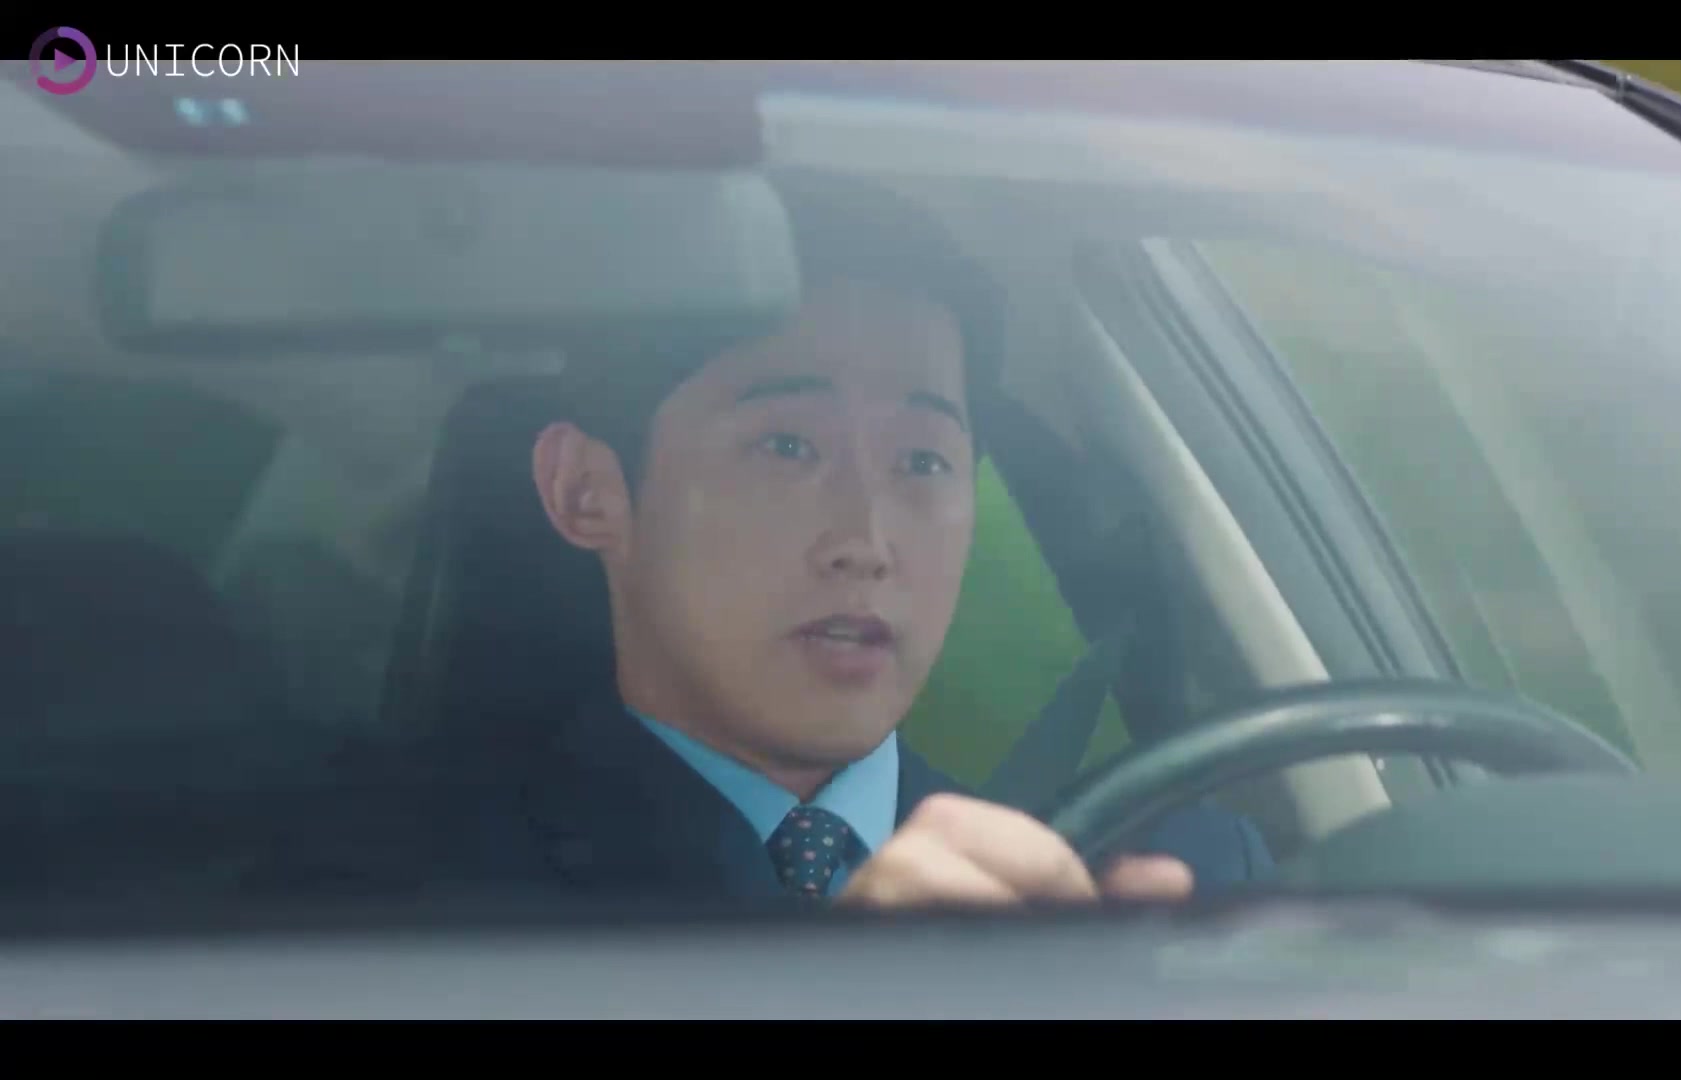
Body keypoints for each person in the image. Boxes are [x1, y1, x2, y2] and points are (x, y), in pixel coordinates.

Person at [504, 178, 1276, 909]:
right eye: (786, 448)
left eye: (923, 461)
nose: (865, 542)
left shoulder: (1144, 882)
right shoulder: (448, 891)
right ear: (586, 492)